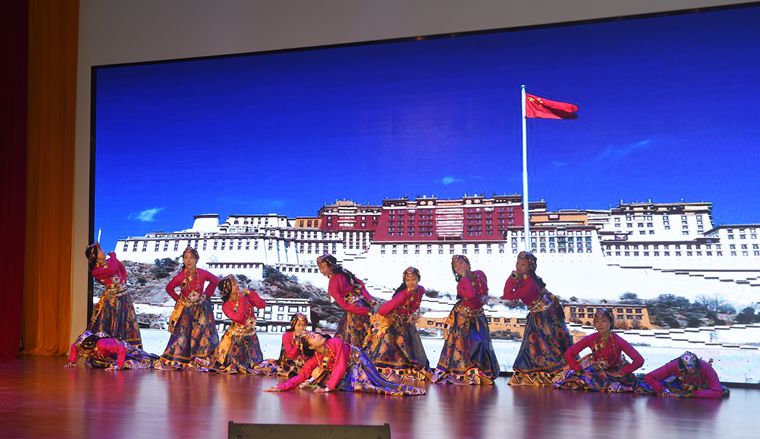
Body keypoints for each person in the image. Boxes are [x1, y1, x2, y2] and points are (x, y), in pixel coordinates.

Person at [264, 332, 424, 396]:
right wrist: (281, 387)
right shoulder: (316, 358)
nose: (316, 335)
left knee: (372, 385)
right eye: (312, 338)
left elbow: (340, 364)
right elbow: (303, 375)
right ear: (311, 347)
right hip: (347, 369)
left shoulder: (335, 342)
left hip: (358, 361)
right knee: (345, 384)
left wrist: (329, 388)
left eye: (314, 333)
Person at [502, 251, 573, 386]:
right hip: (539, 313)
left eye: (523, 265)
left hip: (544, 316)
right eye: (517, 263)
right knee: (538, 343)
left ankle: (552, 372)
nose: (518, 267)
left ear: (530, 267)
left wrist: (512, 277)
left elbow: (508, 295)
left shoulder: (529, 284)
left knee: (547, 343)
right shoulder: (526, 278)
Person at [431, 255, 499, 385]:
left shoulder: (479, 274)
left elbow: (484, 292)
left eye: (461, 263)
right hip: (463, 318)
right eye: (455, 266)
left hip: (478, 316)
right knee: (465, 345)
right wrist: (465, 277)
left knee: (482, 343)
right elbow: (471, 295)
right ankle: (464, 372)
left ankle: (480, 372)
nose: (458, 267)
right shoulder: (462, 283)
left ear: (468, 264)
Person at [155, 247, 220, 370]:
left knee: (201, 333)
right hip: (186, 310)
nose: (188, 260)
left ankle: (201, 358)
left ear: (196, 259)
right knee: (183, 334)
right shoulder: (181, 276)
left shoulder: (202, 273)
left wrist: (206, 295)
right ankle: (182, 359)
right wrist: (179, 300)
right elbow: (169, 288)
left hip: (201, 309)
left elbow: (215, 280)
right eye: (185, 258)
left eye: (191, 258)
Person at [553, 308, 644, 392]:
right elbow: (569, 353)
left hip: (615, 372)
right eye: (597, 321)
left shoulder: (618, 340)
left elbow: (639, 360)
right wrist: (578, 369)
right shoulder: (591, 338)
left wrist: (622, 372)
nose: (600, 324)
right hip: (597, 371)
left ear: (610, 322)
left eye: (604, 321)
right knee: (578, 380)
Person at [365, 266, 430, 382]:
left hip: (405, 322)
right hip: (392, 322)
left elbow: (414, 306)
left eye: (414, 279)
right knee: (398, 345)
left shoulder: (420, 290)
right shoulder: (403, 295)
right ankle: (390, 373)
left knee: (411, 344)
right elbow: (382, 310)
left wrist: (410, 315)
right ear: (404, 281)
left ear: (418, 279)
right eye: (408, 280)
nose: (411, 283)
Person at [198, 275, 266, 373]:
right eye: (234, 284)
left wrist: (251, 293)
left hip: (250, 334)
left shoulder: (245, 297)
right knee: (237, 365)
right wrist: (242, 299)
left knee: (255, 363)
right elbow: (239, 317)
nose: (237, 285)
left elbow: (262, 305)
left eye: (236, 283)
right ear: (228, 289)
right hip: (236, 337)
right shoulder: (226, 306)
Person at [85, 243, 142, 347]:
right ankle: (110, 348)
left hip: (124, 297)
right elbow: (112, 270)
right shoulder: (95, 271)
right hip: (112, 301)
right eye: (100, 250)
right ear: (94, 255)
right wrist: (113, 256)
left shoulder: (110, 262)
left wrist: (123, 282)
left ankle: (128, 348)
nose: (103, 251)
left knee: (127, 323)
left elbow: (121, 269)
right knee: (113, 323)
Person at [316, 254, 375, 347]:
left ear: (331, 266)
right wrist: (369, 299)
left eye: (323, 268)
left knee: (352, 340)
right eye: (320, 268)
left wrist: (365, 309)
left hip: (355, 310)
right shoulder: (345, 273)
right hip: (363, 304)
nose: (321, 271)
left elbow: (344, 304)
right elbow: (360, 285)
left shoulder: (333, 283)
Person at [640, 351, 729, 399]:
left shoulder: (706, 368)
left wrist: (694, 394)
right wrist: (665, 391)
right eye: (687, 371)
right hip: (678, 387)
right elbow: (649, 377)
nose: (691, 373)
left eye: (694, 371)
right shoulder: (673, 365)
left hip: (699, 388)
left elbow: (717, 392)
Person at [65, 330, 157, 370]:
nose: (81, 351)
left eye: (83, 349)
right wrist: (72, 362)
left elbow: (121, 349)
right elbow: (74, 347)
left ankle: (154, 360)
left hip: (124, 350)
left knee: (132, 361)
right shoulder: (84, 346)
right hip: (108, 355)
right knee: (91, 363)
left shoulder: (103, 344)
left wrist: (118, 366)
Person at [256, 312, 309, 377]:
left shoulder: (309, 335)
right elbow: (290, 356)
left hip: (305, 362)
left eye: (304, 325)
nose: (301, 328)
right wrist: (297, 344)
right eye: (299, 325)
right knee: (294, 369)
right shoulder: (287, 335)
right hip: (290, 362)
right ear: (293, 325)